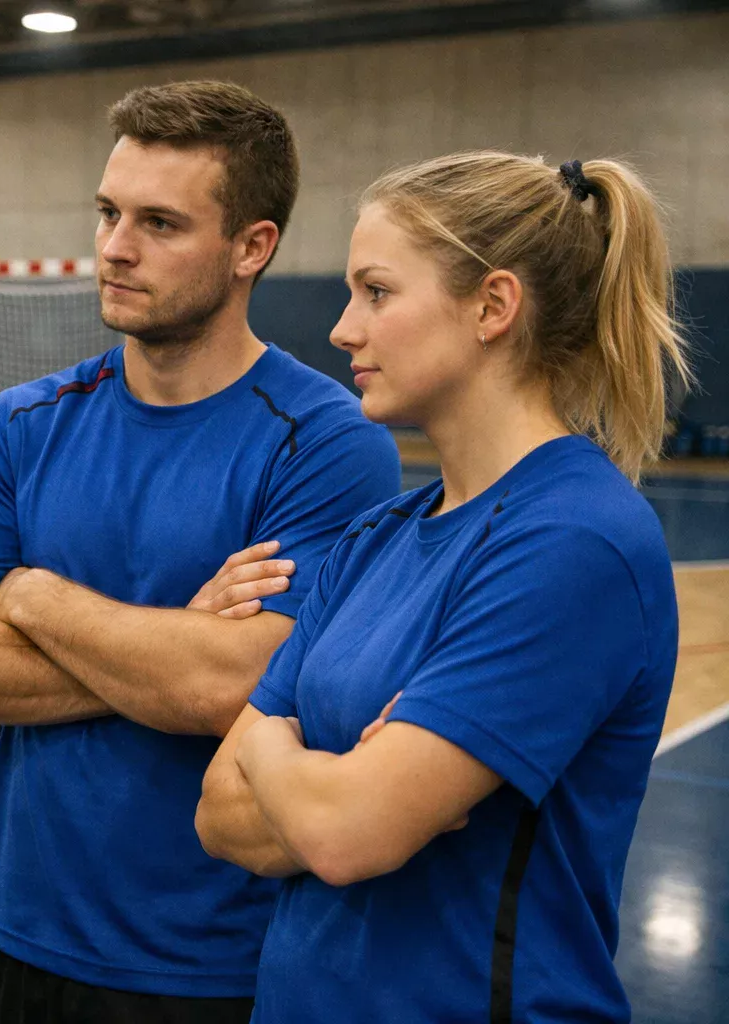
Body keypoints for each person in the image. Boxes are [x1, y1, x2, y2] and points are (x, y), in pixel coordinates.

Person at [0, 80, 401, 1022]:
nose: (116, 247)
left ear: (253, 247)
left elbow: (228, 689)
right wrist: (171, 652)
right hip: (13, 935)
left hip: (214, 968)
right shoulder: (22, 424)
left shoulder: (326, 442)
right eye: (108, 212)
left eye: (160, 222)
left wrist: (34, 597)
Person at [194, 153, 690, 1023]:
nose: (344, 329)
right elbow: (217, 814)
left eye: (377, 292)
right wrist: (340, 782)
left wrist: (279, 752)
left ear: (492, 307)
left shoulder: (576, 543)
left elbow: (347, 836)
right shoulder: (376, 535)